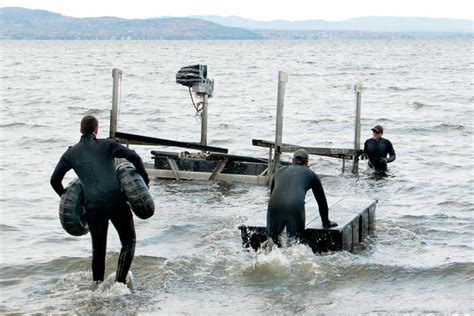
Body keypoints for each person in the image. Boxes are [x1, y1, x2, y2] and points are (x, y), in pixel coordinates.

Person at [50, 115, 150, 284]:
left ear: (81, 130)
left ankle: (98, 289)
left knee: (98, 250)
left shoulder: (70, 153)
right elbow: (134, 156)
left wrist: (72, 201)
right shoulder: (107, 144)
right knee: (128, 242)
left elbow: (54, 180)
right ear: (96, 130)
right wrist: (145, 182)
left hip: (92, 206)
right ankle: (120, 283)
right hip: (116, 201)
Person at [266, 149, 337, 246]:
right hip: (295, 207)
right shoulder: (311, 174)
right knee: (295, 244)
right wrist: (326, 222)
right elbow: (321, 201)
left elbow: (272, 194)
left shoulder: (279, 171)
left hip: (274, 206)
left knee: (272, 241)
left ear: (292, 161)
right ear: (307, 162)